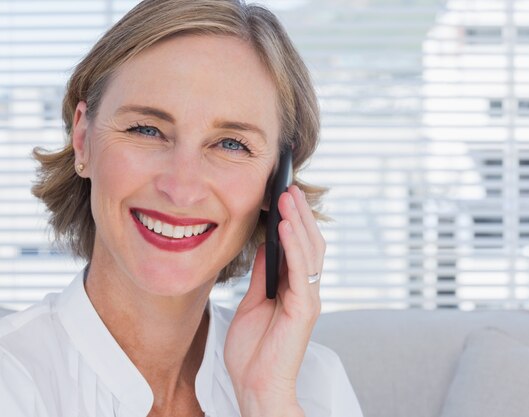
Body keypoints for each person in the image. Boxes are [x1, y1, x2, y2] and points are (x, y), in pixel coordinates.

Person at [0, 1, 363, 416]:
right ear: (83, 139)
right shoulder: (11, 379)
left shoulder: (310, 385)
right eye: (147, 130)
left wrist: (266, 398)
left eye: (231, 144)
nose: (181, 187)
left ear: (276, 182)